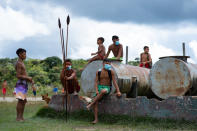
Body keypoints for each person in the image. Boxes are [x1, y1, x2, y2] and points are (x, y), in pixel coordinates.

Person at [86, 59, 121, 124]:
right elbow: (96, 82)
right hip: (99, 87)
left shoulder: (111, 72)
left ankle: (90, 104)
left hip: (107, 88)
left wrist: (118, 91)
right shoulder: (98, 72)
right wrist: (96, 90)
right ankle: (96, 119)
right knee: (96, 102)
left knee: (103, 91)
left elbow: (114, 82)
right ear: (103, 64)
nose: (108, 65)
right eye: (106, 64)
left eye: (109, 64)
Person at [15, 48, 36, 121]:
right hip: (20, 84)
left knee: (23, 101)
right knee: (21, 100)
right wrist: (28, 77)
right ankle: (18, 117)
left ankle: (21, 117)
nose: (25, 55)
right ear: (20, 54)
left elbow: (23, 74)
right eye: (24, 54)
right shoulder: (18, 63)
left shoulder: (22, 63)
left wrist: (30, 80)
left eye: (25, 54)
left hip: (24, 83)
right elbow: (18, 76)